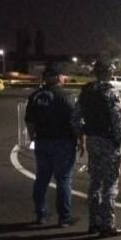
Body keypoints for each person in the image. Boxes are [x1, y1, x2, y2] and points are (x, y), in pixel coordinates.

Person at [72, 60, 121, 237]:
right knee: (110, 184)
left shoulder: (86, 91)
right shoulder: (110, 92)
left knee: (95, 182)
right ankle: (108, 225)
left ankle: (94, 222)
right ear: (109, 73)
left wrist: (82, 136)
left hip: (92, 140)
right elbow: (118, 122)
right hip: (108, 142)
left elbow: (75, 117)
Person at [24, 63, 79, 227]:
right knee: (63, 179)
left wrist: (33, 137)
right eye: (62, 75)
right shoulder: (64, 96)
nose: (64, 78)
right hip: (62, 142)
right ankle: (64, 217)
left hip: (42, 141)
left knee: (41, 178)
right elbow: (74, 120)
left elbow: (29, 121)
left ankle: (41, 214)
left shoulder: (35, 96)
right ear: (56, 77)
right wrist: (80, 139)